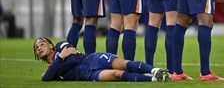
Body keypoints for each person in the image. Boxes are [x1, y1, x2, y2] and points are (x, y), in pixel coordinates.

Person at [33, 37, 170, 82]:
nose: (39, 48)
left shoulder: (60, 45)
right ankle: (155, 79)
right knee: (116, 74)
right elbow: (45, 79)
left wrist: (58, 68)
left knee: (122, 64)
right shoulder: (59, 57)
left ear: (50, 45)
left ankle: (155, 70)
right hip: (87, 75)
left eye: (42, 44)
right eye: (36, 48)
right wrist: (62, 57)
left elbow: (74, 59)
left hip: (92, 60)